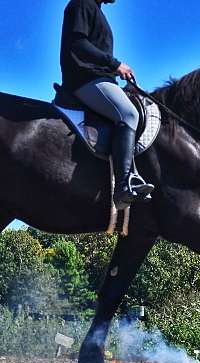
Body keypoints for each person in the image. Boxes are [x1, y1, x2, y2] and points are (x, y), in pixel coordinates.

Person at [60, 0, 154, 209]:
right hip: (84, 79)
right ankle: (123, 186)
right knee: (128, 114)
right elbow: (78, 44)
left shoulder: (95, 9)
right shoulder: (82, 4)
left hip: (98, 78)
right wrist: (115, 65)